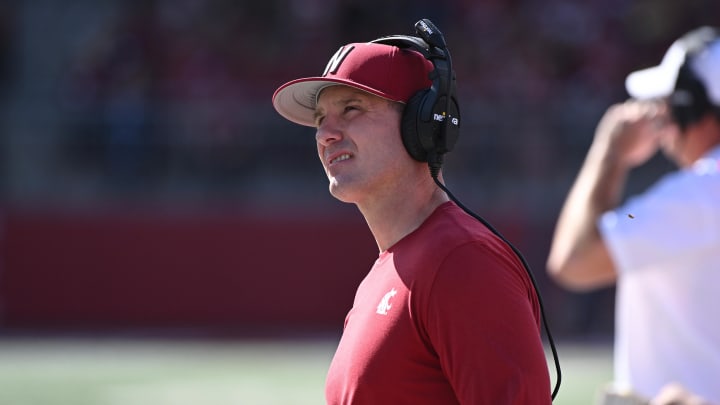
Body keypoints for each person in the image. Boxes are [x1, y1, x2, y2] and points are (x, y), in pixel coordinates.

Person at [272, 20, 552, 404]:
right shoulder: (387, 271)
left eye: (351, 109)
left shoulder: (462, 260)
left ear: (422, 123)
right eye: (320, 120)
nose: (325, 134)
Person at [546, 26, 720, 405]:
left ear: (692, 107)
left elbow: (574, 262)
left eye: (668, 102)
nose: (661, 114)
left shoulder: (703, 194)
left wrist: (610, 154)